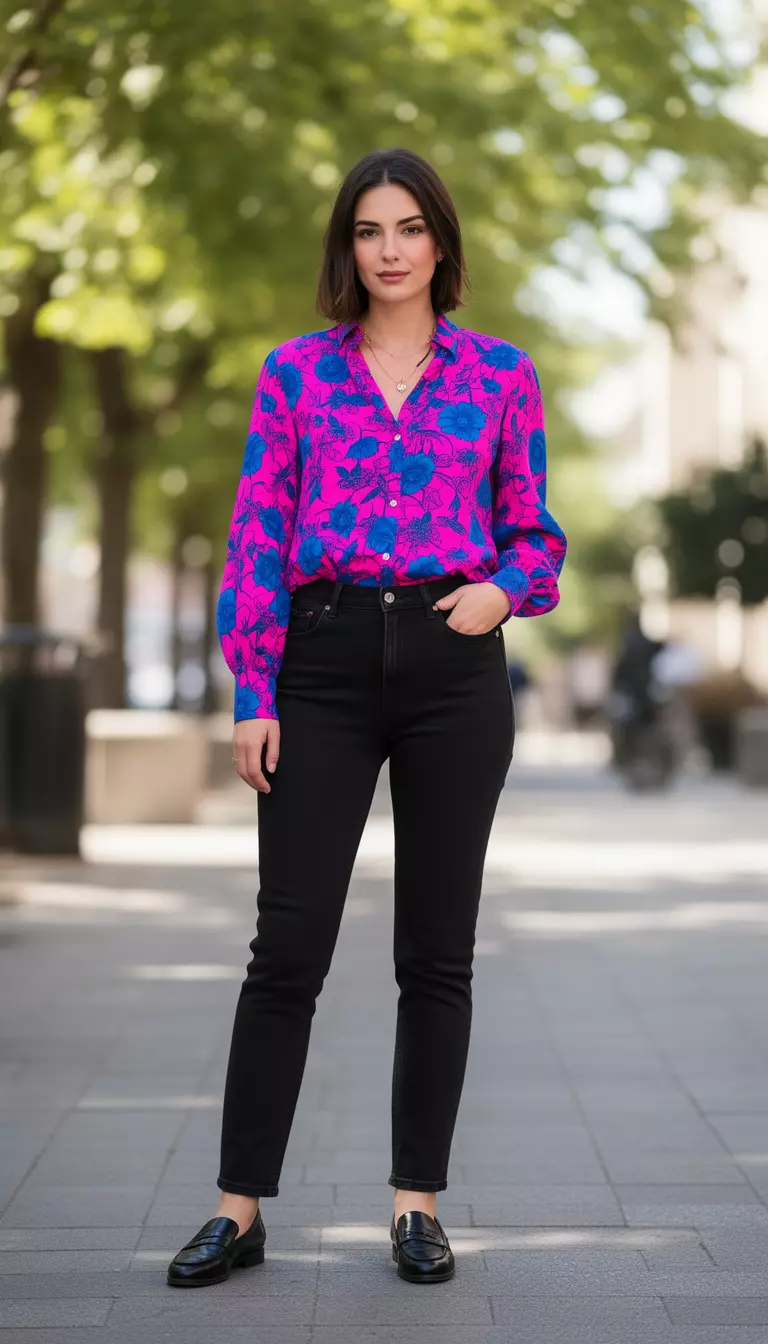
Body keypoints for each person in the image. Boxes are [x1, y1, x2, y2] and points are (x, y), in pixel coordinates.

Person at [167, 146, 567, 1289]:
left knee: (435, 952)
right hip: (323, 659)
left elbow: (534, 529)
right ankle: (239, 1210)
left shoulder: (501, 374)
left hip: (453, 662)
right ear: (347, 248)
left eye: (408, 228)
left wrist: (503, 591)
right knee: (287, 945)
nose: (388, 250)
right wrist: (254, 690)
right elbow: (256, 530)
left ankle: (415, 1206)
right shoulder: (295, 375)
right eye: (367, 231)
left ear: (442, 242)